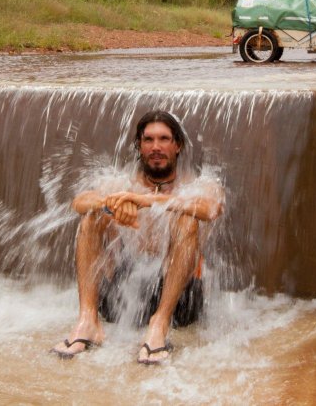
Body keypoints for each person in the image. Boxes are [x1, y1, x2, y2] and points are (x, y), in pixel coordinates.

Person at [50, 110, 224, 365]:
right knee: (92, 217)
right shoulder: (123, 186)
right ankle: (88, 321)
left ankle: (159, 325)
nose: (156, 147)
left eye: (164, 139)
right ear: (139, 147)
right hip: (123, 294)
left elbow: (211, 209)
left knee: (187, 218)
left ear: (177, 146)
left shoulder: (197, 186)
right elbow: (79, 202)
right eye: (148, 140)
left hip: (181, 303)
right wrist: (110, 204)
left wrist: (148, 200)